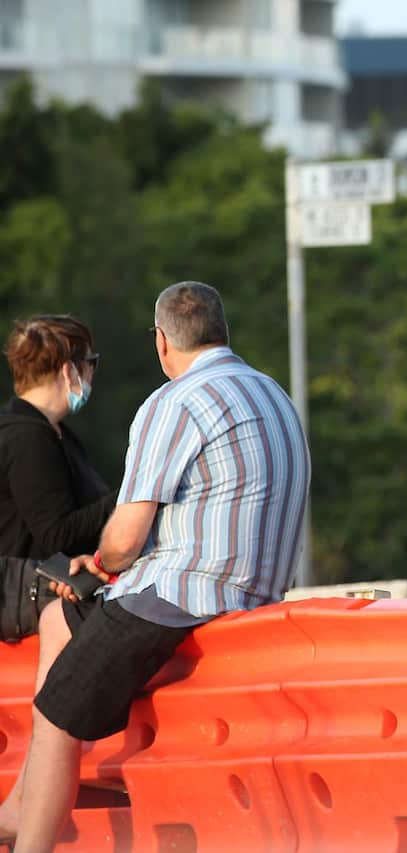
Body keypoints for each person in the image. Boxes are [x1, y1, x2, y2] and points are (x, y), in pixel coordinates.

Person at [5, 281, 310, 851]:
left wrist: (98, 563)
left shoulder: (174, 403)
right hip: (260, 593)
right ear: (223, 334)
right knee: (59, 618)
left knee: (55, 707)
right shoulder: (274, 393)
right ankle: (16, 807)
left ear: (162, 343)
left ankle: (29, 838)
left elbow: (123, 540)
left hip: (180, 595)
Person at [0, 316, 118, 836]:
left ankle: (20, 808)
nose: (92, 376)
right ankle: (23, 806)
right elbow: (55, 534)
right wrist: (129, 501)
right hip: (26, 589)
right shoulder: (26, 438)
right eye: (90, 365)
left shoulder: (56, 435)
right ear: (69, 369)